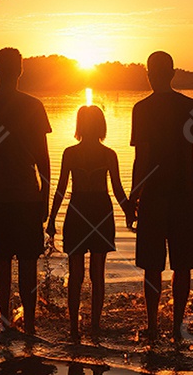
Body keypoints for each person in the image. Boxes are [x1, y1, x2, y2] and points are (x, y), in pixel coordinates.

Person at [0, 47, 51, 336]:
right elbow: (43, 158)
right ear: (21, 70)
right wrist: (45, 197)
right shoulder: (33, 106)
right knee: (28, 262)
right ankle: (29, 326)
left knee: (1, 261)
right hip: (27, 195)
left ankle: (5, 323)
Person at [130, 51, 193, 341]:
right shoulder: (192, 106)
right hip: (183, 196)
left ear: (150, 74)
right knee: (182, 264)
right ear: (173, 73)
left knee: (152, 266)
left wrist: (133, 196)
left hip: (153, 197)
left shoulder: (142, 108)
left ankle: (152, 326)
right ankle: (177, 326)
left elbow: (144, 156)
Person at [47, 104, 131, 341]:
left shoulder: (71, 153)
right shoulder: (108, 154)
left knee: (76, 274)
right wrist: (130, 212)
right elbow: (117, 189)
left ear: (80, 126)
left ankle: (74, 327)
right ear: (101, 126)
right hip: (100, 212)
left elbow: (62, 189)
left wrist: (52, 219)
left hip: (78, 211)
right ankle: (94, 326)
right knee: (97, 274)